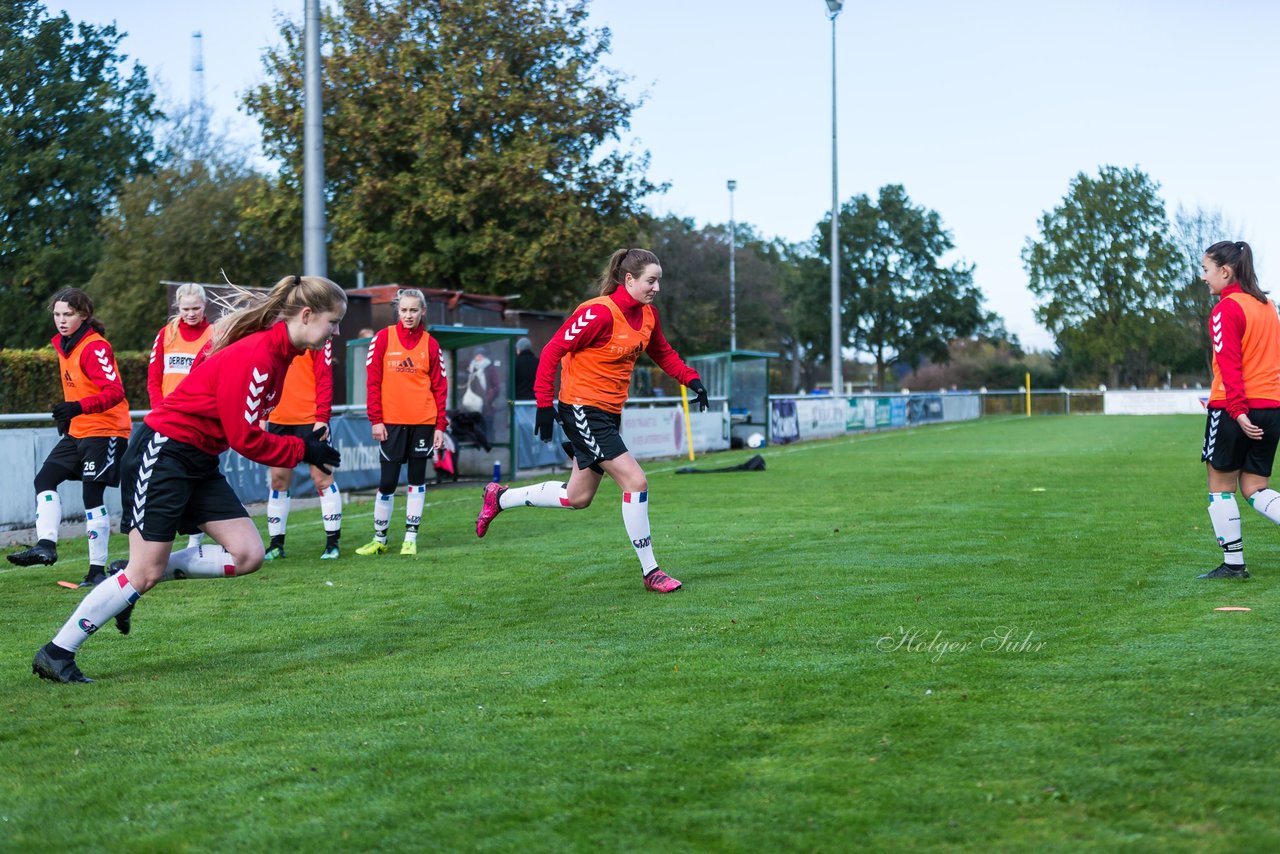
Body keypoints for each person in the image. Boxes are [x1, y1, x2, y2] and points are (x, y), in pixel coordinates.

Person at [30, 275, 345, 683]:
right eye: (333, 322)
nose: (335, 331)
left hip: (197, 459)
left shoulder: (281, 353)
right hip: (163, 454)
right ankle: (56, 652)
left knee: (248, 555)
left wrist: (302, 445)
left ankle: (128, 579)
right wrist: (304, 450)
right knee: (145, 573)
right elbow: (244, 438)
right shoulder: (262, 354)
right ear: (307, 315)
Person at [474, 248, 709, 593]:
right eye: (651, 280)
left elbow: (663, 353)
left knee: (577, 497)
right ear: (629, 279)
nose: (657, 287)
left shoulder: (648, 316)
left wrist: (692, 379)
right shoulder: (598, 313)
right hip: (583, 408)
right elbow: (553, 350)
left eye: (659, 280)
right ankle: (651, 571)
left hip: (608, 412)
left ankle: (500, 497)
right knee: (636, 481)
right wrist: (543, 403)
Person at [7, 289, 131, 590]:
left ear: (83, 315)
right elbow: (81, 387)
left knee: (92, 498)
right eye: (57, 314)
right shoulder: (65, 345)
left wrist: (78, 407)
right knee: (44, 480)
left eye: (68, 315)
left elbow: (114, 392)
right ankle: (46, 545)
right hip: (79, 430)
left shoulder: (94, 346)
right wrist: (70, 414)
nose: (61, 321)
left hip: (106, 430)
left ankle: (96, 570)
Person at [1198, 241, 1280, 580]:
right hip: (1272, 407)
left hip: (1236, 409)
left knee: (1221, 486)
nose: (1204, 277)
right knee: (1255, 487)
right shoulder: (1267, 306)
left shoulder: (1226, 309)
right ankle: (1233, 564)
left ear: (1225, 271)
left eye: (1206, 269)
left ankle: (1234, 565)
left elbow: (1229, 366)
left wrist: (1238, 411)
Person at [356, 288, 448, 557]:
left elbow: (440, 387)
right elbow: (372, 382)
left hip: (423, 421)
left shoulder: (431, 343)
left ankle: (410, 538)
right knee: (387, 482)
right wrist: (376, 419)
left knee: (417, 480)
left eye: (414, 310)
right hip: (391, 423)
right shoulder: (383, 338)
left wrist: (440, 425)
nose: (409, 315)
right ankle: (380, 538)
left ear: (423, 312)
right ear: (398, 310)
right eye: (404, 310)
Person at [148, 283, 215, 550]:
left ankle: (194, 541)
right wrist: (158, 411)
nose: (190, 313)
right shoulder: (166, 333)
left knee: (197, 477)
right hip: (167, 418)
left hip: (199, 419)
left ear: (205, 305)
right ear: (178, 307)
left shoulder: (214, 334)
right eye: (186, 309)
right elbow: (154, 378)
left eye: (196, 308)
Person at [263, 339, 343, 560]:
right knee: (278, 480)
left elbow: (325, 377)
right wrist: (262, 415)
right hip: (279, 419)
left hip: (311, 419)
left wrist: (322, 417)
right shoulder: (274, 333)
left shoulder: (316, 335)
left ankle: (332, 544)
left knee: (322, 479)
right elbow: (265, 375)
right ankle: (276, 545)